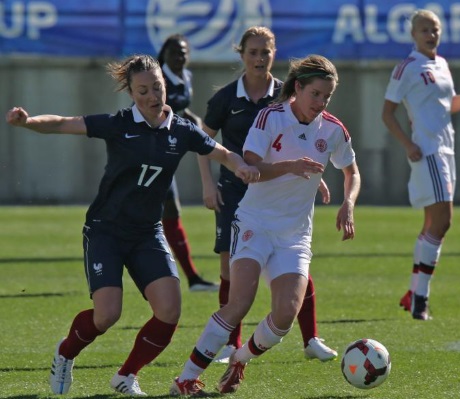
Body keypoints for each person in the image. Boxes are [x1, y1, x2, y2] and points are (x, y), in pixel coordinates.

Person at [5, 54, 259, 396]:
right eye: (143, 91)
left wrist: (240, 165)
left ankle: (126, 375)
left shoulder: (182, 130)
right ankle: (65, 353)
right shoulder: (118, 124)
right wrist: (28, 121)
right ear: (131, 94)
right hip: (105, 229)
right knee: (107, 315)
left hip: (146, 233)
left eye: (157, 87)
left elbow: (222, 152)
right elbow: (64, 123)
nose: (153, 96)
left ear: (165, 85)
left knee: (169, 310)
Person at [170, 54, 361, 396]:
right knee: (239, 302)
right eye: (315, 94)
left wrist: (348, 203)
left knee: (286, 315)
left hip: (295, 235)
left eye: (327, 97)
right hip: (254, 223)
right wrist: (290, 166)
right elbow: (252, 168)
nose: (320, 103)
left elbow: (351, 171)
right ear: (298, 88)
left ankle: (239, 359)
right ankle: (185, 379)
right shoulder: (270, 117)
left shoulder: (333, 129)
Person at [196, 26, 337, 364]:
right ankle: (231, 344)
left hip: (281, 194)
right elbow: (204, 142)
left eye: (266, 52)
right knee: (231, 270)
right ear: (241, 54)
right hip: (236, 193)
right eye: (253, 52)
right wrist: (208, 183)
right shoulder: (226, 98)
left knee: (294, 265)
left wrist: (310, 178)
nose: (260, 58)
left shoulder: (290, 95)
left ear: (275, 54)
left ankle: (310, 338)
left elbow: (302, 142)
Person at [381, 9, 460, 320]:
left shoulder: (442, 64)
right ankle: (421, 299)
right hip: (428, 152)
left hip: (447, 151)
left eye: (435, 29)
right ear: (413, 35)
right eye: (425, 30)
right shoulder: (406, 68)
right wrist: (409, 145)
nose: (431, 34)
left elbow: (447, 105)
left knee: (432, 224)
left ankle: (413, 291)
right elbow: (387, 113)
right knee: (443, 222)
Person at [157, 34, 218, 292]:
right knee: (167, 210)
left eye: (183, 52)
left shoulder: (186, 78)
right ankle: (188, 278)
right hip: (152, 152)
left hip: (168, 154)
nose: (179, 57)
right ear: (165, 54)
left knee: (169, 211)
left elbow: (179, 111)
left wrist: (193, 119)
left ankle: (192, 279)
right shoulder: (157, 79)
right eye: (174, 52)